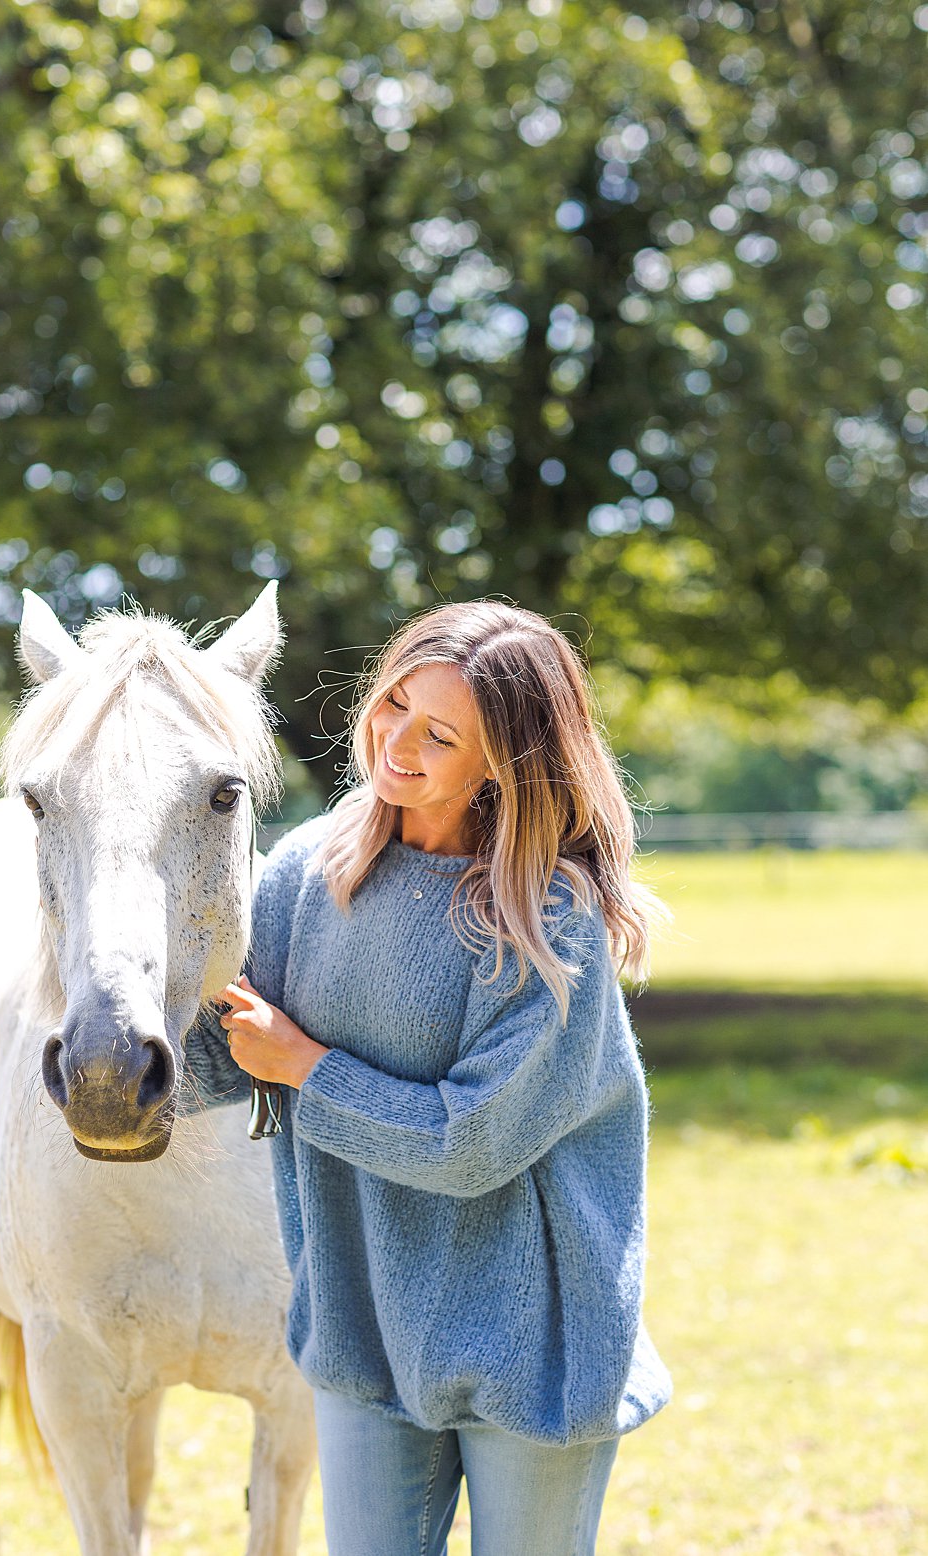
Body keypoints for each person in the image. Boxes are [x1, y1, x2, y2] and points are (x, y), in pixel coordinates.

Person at [201, 600, 671, 1556]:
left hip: (529, 1349)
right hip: (363, 1328)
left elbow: (469, 1144)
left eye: (439, 733)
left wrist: (306, 1069)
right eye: (393, 706)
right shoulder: (306, 874)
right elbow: (224, 1053)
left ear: (503, 759)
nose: (396, 744)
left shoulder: (546, 922)